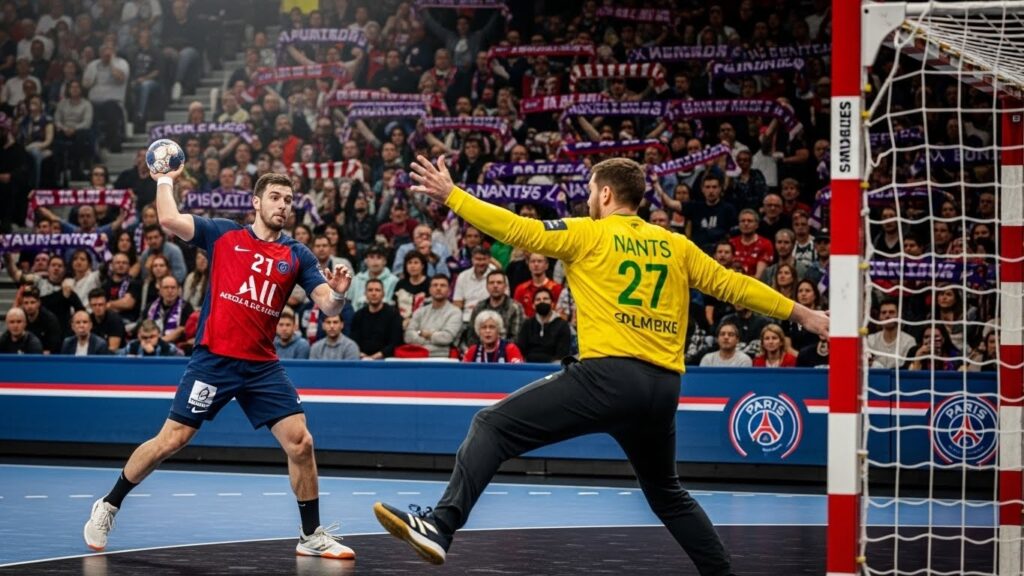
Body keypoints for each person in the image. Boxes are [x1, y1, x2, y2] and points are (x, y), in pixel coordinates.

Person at [374, 156, 828, 573]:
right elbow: (735, 285)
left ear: (606, 194)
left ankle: (441, 524)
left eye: (592, 191)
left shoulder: (587, 233)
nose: (588, 199)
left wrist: (453, 195)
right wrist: (805, 314)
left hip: (608, 378)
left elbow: (516, 230)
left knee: (491, 427)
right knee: (668, 495)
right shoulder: (675, 244)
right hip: (663, 389)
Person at [83, 170, 356, 560]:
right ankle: (109, 504)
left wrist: (340, 295)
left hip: (262, 366)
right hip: (214, 360)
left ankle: (311, 535)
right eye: (275, 197)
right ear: (256, 202)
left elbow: (326, 303)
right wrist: (163, 179)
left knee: (301, 442)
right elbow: (169, 220)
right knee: (171, 441)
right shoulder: (225, 234)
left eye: (289, 200)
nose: (283, 205)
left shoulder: (297, 254)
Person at [402, 275, 462, 357]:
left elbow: (447, 338)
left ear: (449, 291)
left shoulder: (455, 312)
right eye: (435, 285)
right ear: (430, 290)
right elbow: (408, 336)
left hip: (442, 358)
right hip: (417, 356)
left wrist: (423, 333)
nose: (438, 288)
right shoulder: (420, 311)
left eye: (442, 285)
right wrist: (432, 336)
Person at [466, 270, 525, 347]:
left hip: (506, 351)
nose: (495, 286)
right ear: (487, 286)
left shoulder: (515, 307)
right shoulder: (479, 307)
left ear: (505, 286)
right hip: (481, 350)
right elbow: (471, 335)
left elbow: (517, 338)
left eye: (499, 282)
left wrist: (495, 347)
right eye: (491, 283)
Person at [349, 278, 404, 360]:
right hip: (362, 359)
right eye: (370, 290)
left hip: (386, 360)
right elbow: (353, 340)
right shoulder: (358, 315)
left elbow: (396, 342)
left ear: (383, 294)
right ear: (365, 294)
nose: (374, 293)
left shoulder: (393, 315)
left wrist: (374, 357)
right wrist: (362, 355)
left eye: (377, 290)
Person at [516, 287, 572, 363]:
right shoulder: (527, 324)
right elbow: (520, 349)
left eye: (545, 299)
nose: (542, 302)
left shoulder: (562, 325)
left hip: (553, 368)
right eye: (538, 300)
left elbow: (562, 354)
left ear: (552, 304)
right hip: (528, 366)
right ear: (533, 305)